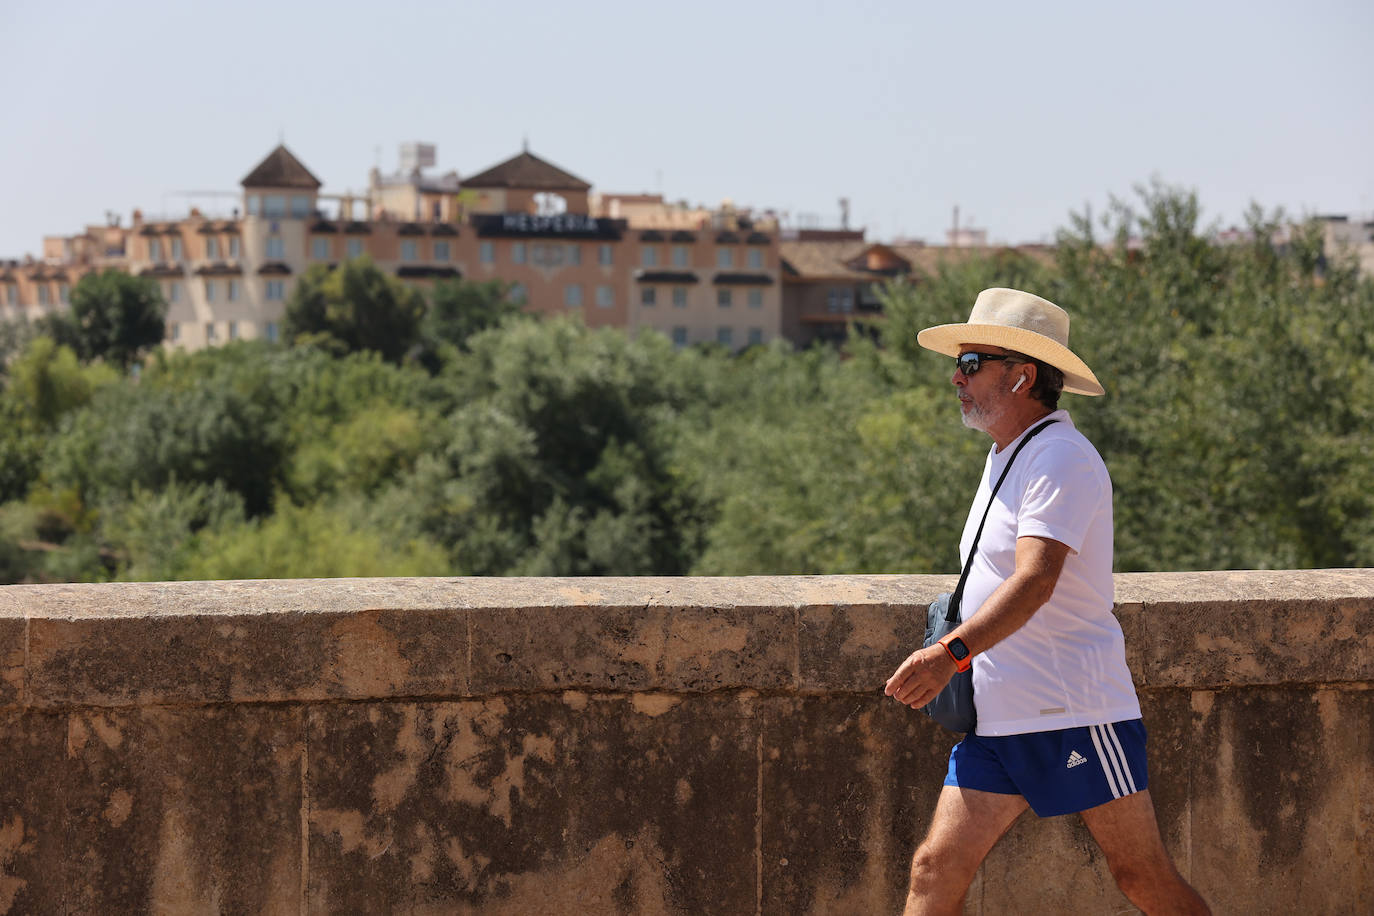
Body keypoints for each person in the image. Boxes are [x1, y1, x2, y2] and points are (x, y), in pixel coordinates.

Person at [884, 288, 1210, 915]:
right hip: (1002, 715)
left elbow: (1035, 581)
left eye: (973, 362)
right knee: (933, 868)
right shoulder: (1009, 455)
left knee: (1141, 874)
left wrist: (947, 655)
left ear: (1023, 375)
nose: (956, 376)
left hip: (1073, 710)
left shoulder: (1062, 457)